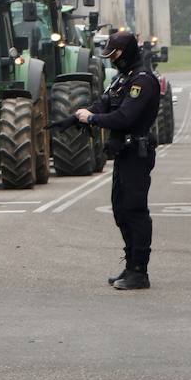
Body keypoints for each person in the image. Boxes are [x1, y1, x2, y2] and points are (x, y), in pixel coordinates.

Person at [76, 31, 160, 290]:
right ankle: (130, 263)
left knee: (135, 210)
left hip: (138, 152)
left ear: (128, 52)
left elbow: (125, 117)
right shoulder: (122, 79)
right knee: (120, 209)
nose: (113, 60)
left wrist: (92, 119)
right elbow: (104, 102)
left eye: (115, 55)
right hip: (123, 153)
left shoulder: (143, 81)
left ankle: (139, 271)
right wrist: (87, 111)